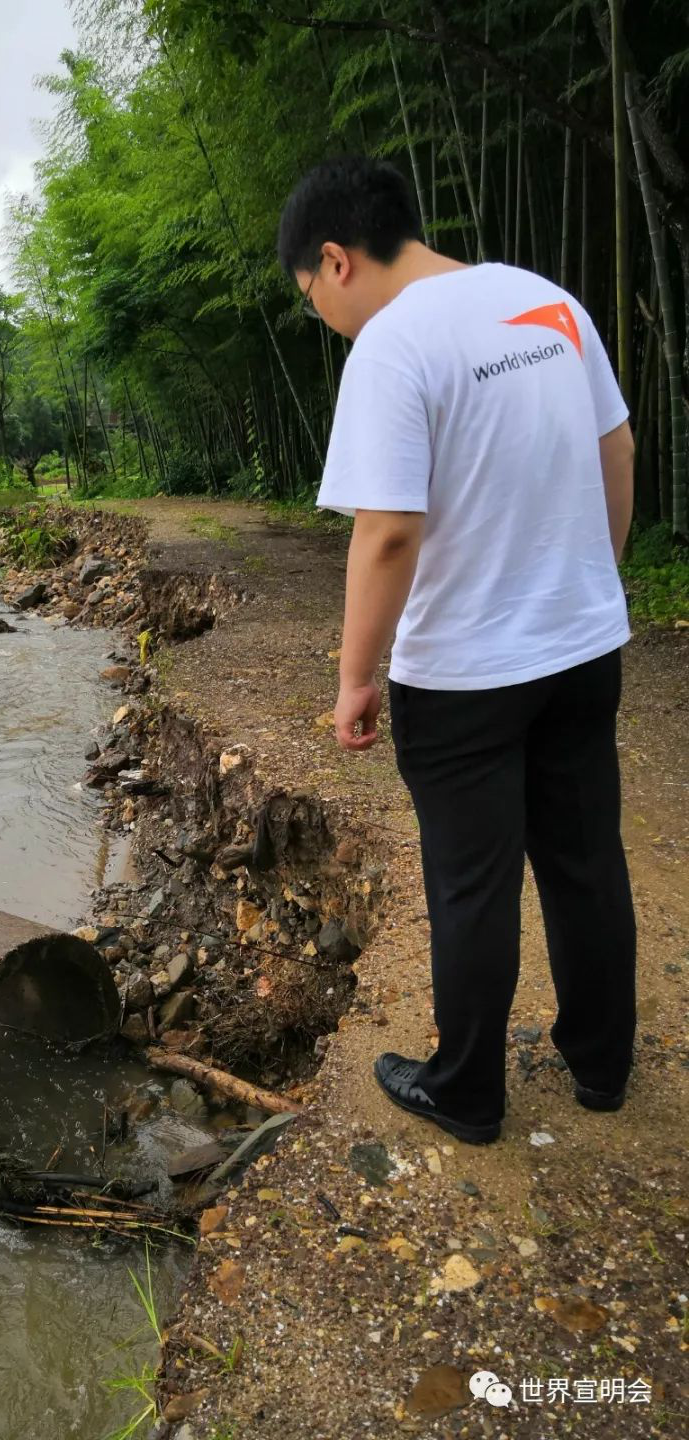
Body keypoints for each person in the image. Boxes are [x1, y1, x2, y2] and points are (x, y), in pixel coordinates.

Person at [276, 156, 637, 1145]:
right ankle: (603, 1064)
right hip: (580, 648)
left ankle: (468, 1092)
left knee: (473, 885)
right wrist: (592, 581)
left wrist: (356, 678)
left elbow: (389, 533)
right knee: (584, 859)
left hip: (465, 674)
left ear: (337, 260)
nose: (323, 317)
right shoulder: (546, 302)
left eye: (312, 297)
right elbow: (616, 450)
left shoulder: (393, 345)